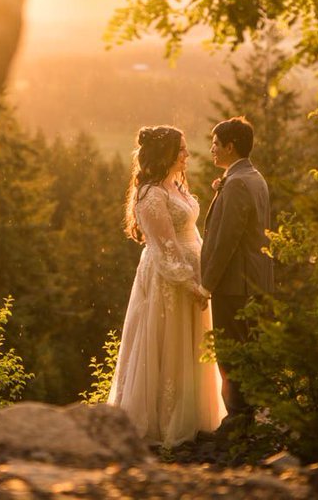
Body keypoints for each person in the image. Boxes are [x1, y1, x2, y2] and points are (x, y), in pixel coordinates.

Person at [106, 125, 226, 447]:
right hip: (168, 281)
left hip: (192, 274)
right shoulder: (151, 195)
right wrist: (192, 285)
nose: (187, 154)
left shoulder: (175, 185)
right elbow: (165, 249)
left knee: (191, 346)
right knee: (168, 344)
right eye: (182, 150)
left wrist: (205, 274)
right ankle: (164, 422)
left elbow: (192, 233)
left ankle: (196, 417)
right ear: (166, 154)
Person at [200, 116, 273, 432]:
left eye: (216, 143)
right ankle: (247, 414)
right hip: (253, 280)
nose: (212, 149)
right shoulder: (253, 177)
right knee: (247, 345)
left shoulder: (238, 183)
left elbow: (226, 240)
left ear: (231, 146)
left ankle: (238, 419)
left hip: (235, 283)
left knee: (231, 350)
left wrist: (207, 284)